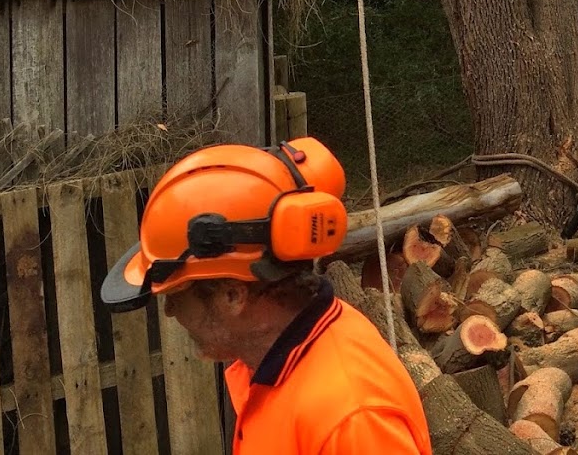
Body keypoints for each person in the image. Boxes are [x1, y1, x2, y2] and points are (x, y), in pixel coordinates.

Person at [102, 137, 432, 455]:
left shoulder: (351, 418)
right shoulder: (267, 359)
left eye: (175, 293)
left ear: (232, 295)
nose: (170, 311)